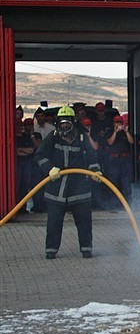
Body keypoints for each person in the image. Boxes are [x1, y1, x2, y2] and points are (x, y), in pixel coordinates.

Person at [34, 106, 103, 259]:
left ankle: (86, 249)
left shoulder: (82, 137)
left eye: (67, 123)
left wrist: (95, 171)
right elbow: (39, 156)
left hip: (79, 188)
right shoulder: (52, 136)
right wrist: (49, 169)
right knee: (53, 223)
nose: (64, 127)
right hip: (56, 188)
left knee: (84, 222)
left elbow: (92, 157)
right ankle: (51, 250)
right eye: (62, 123)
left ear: (73, 123)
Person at [106, 115, 134, 204]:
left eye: (120, 123)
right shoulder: (110, 131)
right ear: (114, 124)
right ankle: (113, 203)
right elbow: (110, 142)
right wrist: (115, 132)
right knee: (114, 180)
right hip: (114, 159)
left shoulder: (125, 132)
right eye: (117, 123)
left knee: (126, 181)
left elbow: (131, 141)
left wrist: (126, 132)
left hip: (125, 159)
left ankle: (127, 202)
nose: (119, 125)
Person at [15, 120, 35, 212]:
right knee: (17, 186)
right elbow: (15, 151)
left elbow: (31, 150)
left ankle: (23, 208)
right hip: (17, 165)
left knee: (25, 186)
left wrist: (20, 150)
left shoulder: (26, 137)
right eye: (17, 126)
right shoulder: (13, 138)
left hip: (26, 164)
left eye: (21, 126)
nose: (19, 128)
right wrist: (23, 151)